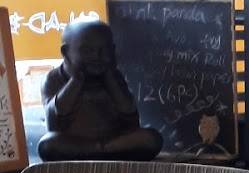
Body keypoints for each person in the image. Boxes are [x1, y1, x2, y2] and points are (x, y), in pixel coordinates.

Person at [38, 19, 162, 162]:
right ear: (65, 52)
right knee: (48, 145)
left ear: (113, 51)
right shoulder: (53, 79)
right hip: (75, 144)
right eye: (87, 51)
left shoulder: (113, 76)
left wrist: (111, 81)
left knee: (151, 138)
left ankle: (104, 149)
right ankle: (100, 150)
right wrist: (76, 81)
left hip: (114, 142)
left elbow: (131, 118)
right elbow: (54, 122)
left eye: (105, 51)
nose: (97, 57)